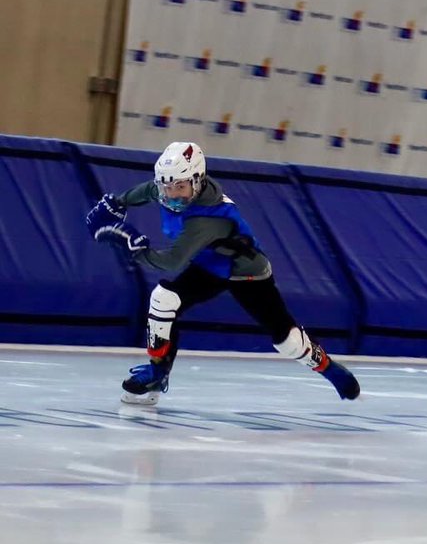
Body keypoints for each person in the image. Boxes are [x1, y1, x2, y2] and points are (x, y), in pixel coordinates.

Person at [85, 141, 359, 405]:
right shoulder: (167, 190)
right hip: (210, 264)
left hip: (247, 273)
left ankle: (329, 369)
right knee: (163, 299)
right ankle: (157, 374)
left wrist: (128, 245)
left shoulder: (206, 218)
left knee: (287, 341)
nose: (172, 195)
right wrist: (120, 202)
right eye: (167, 187)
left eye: (180, 187)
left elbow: (170, 261)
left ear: (197, 181)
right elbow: (148, 191)